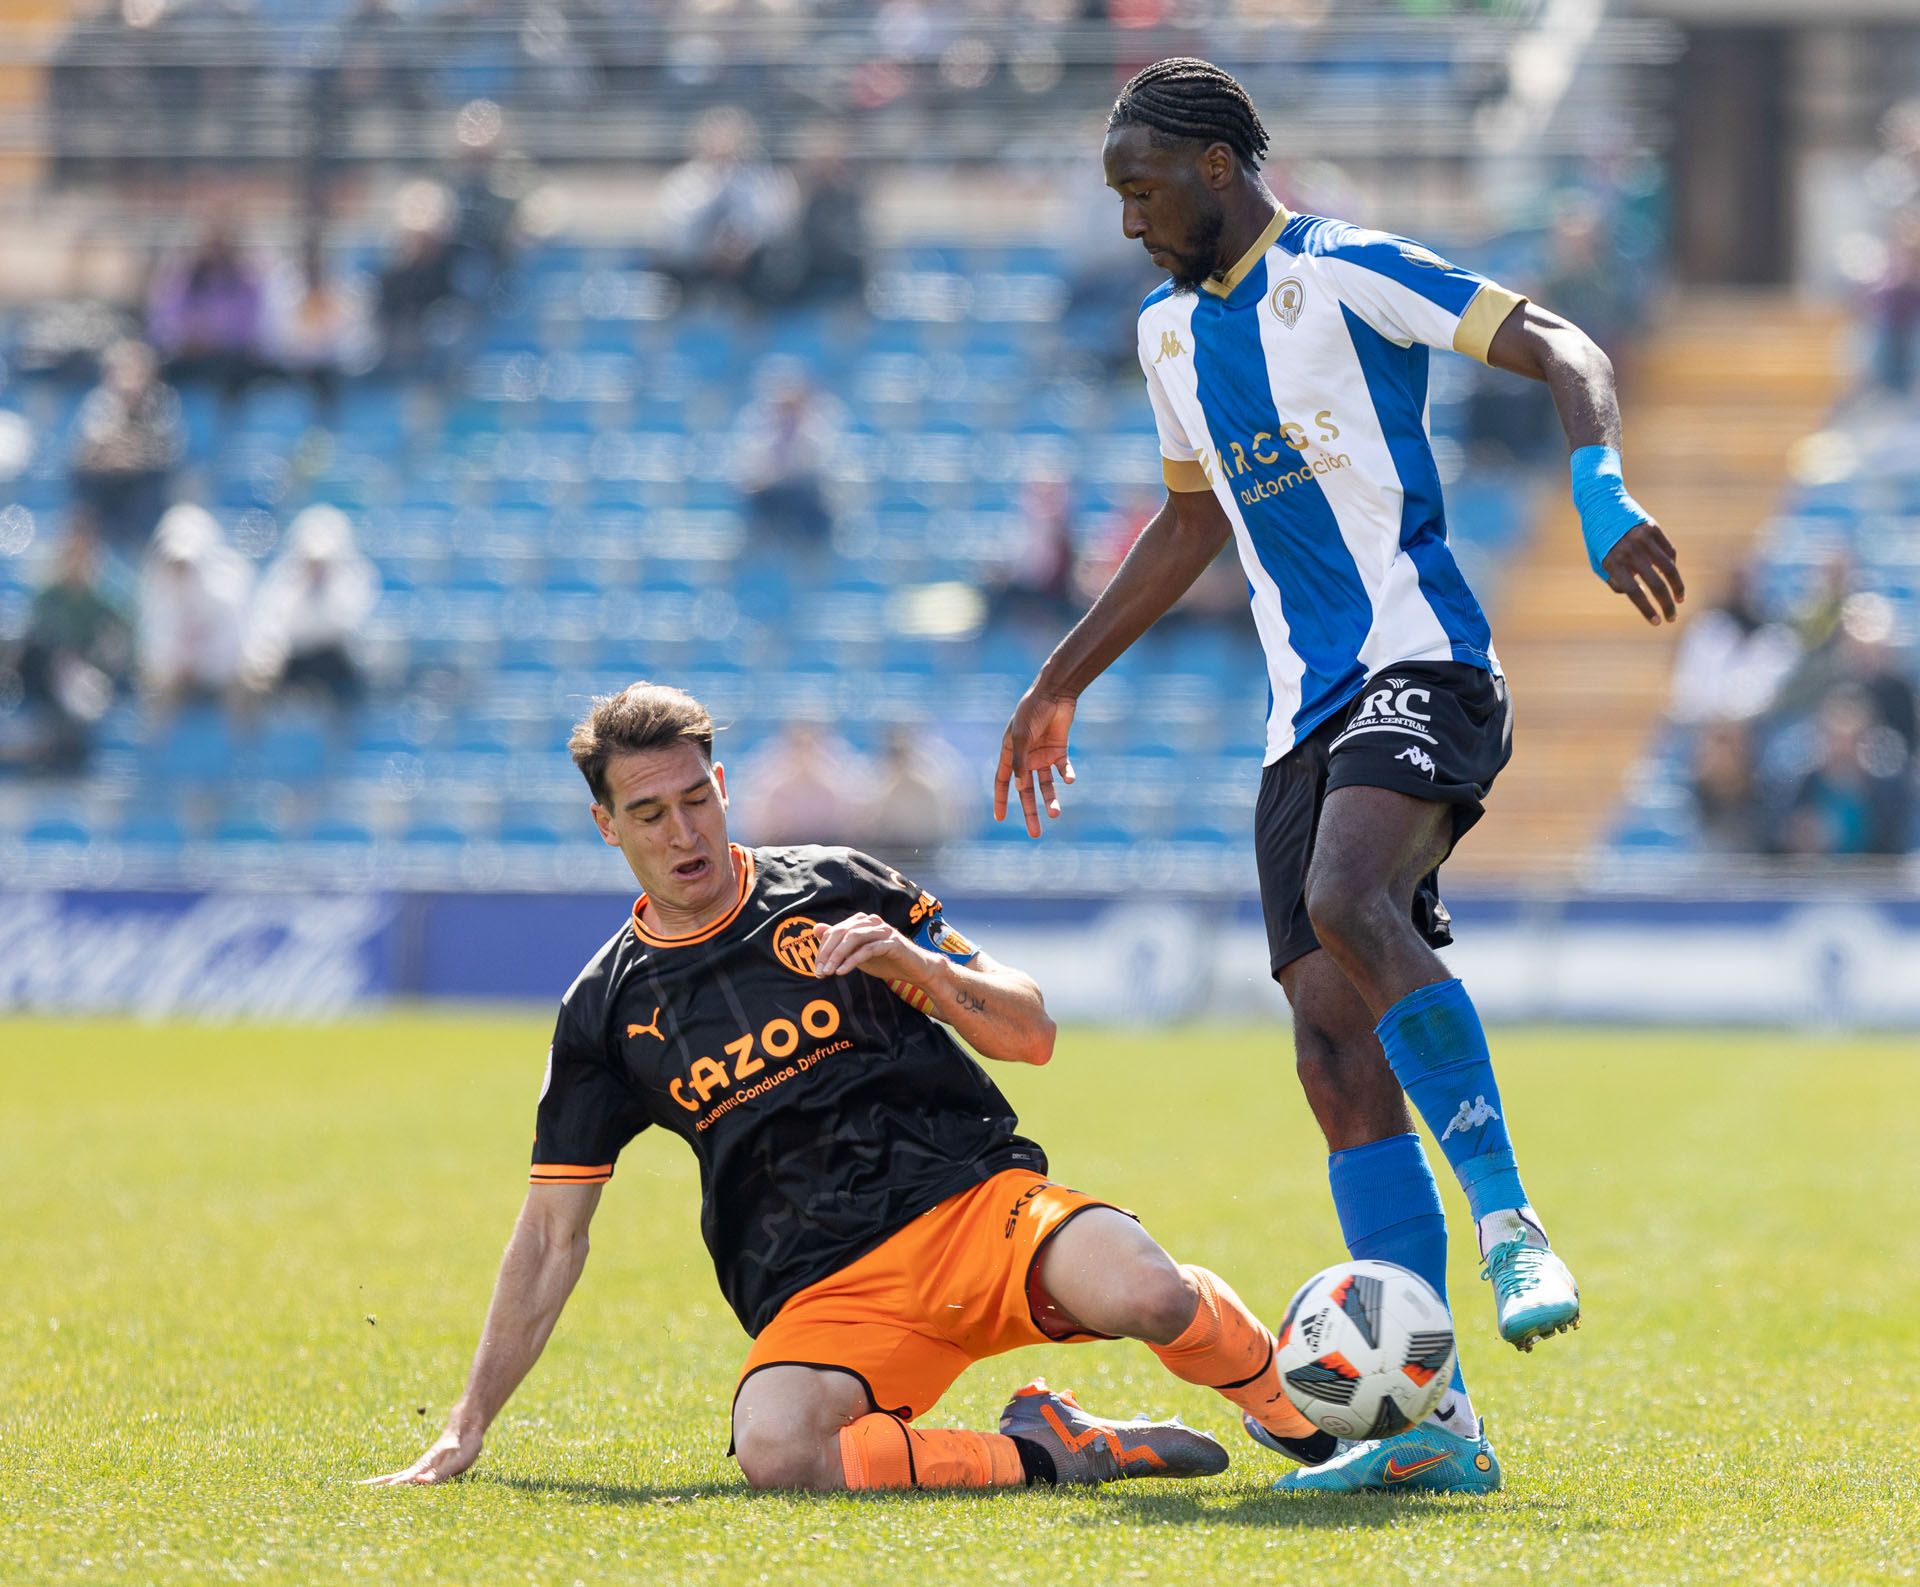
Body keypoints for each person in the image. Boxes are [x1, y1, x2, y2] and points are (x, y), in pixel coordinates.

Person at [995, 58, 1685, 1495]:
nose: (1126, 219)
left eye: (1141, 188)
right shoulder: (1167, 334)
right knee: (1327, 1042)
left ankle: (1506, 1218)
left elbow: (1562, 342)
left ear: (1217, 169)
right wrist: (1062, 674)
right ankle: (1429, 1420)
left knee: (1353, 893)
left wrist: (1601, 484)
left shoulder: (1343, 266)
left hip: (1423, 658)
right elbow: (1191, 527)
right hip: (1298, 716)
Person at [365, 682, 1341, 1494]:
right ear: (606, 825)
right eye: (650, 814)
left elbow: (1031, 1031)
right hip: (824, 1290)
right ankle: (1048, 1450)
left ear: (725, 786)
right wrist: (468, 1425)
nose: (682, 830)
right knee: (777, 1451)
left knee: (1151, 1294)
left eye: (697, 798)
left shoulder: (836, 881)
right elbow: (549, 1237)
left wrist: (923, 975)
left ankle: (1304, 1424)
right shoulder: (606, 1010)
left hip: (975, 1210)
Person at [244, 504, 378, 706]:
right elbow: (273, 626)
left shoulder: (352, 579)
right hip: (295, 657)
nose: (315, 567)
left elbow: (344, 624)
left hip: (332, 658)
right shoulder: (284, 581)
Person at [69, 339, 183, 553]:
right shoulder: (98, 402)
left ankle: (144, 547)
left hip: (145, 485)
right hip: (105, 486)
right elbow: (85, 449)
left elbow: (169, 451)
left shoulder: (162, 402)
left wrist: (133, 454)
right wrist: (112, 454)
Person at [137, 504, 253, 712]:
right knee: (151, 687)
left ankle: (243, 743)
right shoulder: (159, 593)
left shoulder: (227, 590)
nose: (179, 570)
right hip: (179, 677)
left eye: (184, 564)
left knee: (249, 682)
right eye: (174, 563)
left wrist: (200, 666)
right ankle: (157, 744)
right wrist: (176, 667)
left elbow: (234, 648)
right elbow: (155, 648)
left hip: (219, 675)